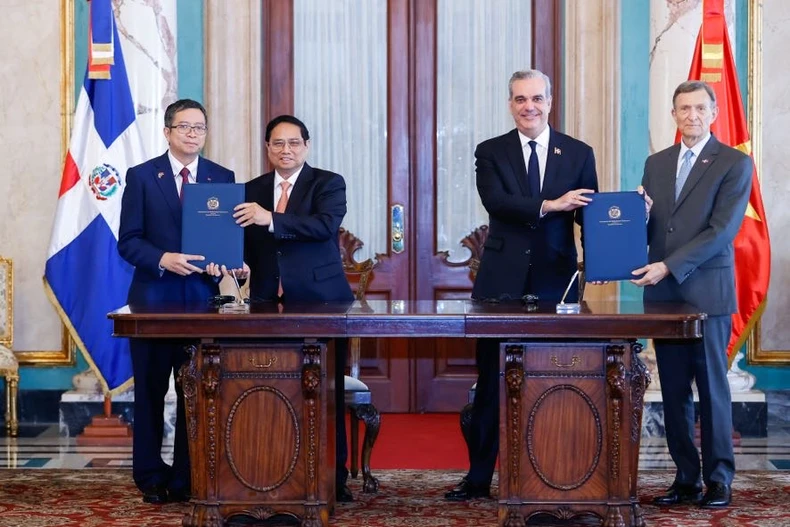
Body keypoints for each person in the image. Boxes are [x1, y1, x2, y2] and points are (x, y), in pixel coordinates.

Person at [445, 69, 599, 501]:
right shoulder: (491, 151)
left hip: (556, 282)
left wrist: (607, 252)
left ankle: (553, 474)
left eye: (536, 98)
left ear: (550, 101)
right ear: (510, 104)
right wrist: (552, 204)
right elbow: (498, 203)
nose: (528, 106)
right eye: (519, 99)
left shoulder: (579, 153)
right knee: (492, 382)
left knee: (555, 377)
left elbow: (588, 216)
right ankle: (478, 479)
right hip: (501, 281)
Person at [632, 80, 752, 509]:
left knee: (713, 389)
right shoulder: (656, 163)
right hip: (663, 295)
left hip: (706, 294)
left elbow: (721, 231)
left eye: (700, 108)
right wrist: (638, 220)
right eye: (684, 108)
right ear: (674, 114)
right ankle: (685, 478)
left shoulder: (735, 163)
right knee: (673, 390)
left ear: (714, 113)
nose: (692, 115)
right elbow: (653, 229)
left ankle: (719, 479)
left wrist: (669, 265)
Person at [232, 114, 355, 502]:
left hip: (322, 301)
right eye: (278, 143)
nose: (286, 150)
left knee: (327, 391)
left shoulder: (328, 183)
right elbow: (245, 243)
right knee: (270, 387)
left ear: (306, 146)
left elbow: (323, 226)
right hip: (266, 302)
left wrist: (270, 218)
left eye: (294, 143)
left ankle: (335, 479)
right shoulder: (251, 189)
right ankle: (273, 472)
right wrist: (235, 261)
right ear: (267, 148)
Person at [118, 99, 235, 504]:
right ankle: (150, 476)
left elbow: (223, 242)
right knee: (150, 394)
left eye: (199, 127)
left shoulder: (221, 177)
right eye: (184, 126)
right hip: (153, 304)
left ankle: (188, 476)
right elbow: (128, 242)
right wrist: (162, 258)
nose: (192, 134)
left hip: (202, 304)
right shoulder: (142, 176)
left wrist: (222, 263)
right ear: (167, 132)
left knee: (197, 393)